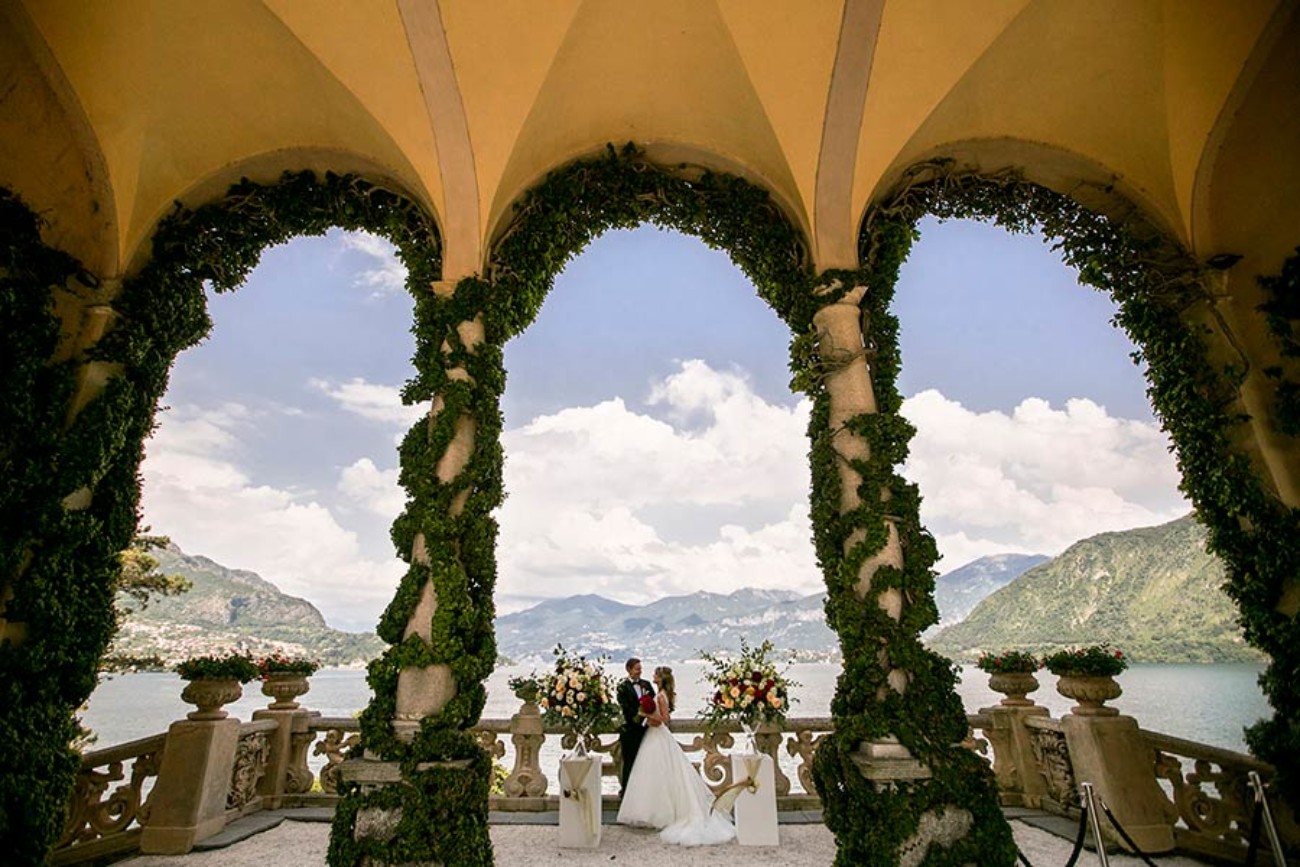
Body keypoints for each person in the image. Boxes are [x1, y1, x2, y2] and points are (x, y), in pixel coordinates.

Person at [617, 666, 735, 846]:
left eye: (655, 674)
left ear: (660, 678)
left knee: (660, 774)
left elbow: (665, 719)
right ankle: (653, 812)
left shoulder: (661, 696)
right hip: (653, 736)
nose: (652, 676)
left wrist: (647, 715)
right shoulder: (659, 693)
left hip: (658, 736)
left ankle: (661, 814)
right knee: (652, 775)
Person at [616, 657, 655, 795]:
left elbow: (653, 703)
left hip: (647, 731)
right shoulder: (622, 687)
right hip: (630, 731)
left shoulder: (646, 685)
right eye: (637, 669)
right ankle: (627, 793)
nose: (639, 671)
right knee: (629, 763)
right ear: (629, 669)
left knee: (646, 763)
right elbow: (626, 709)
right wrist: (640, 717)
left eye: (640, 669)